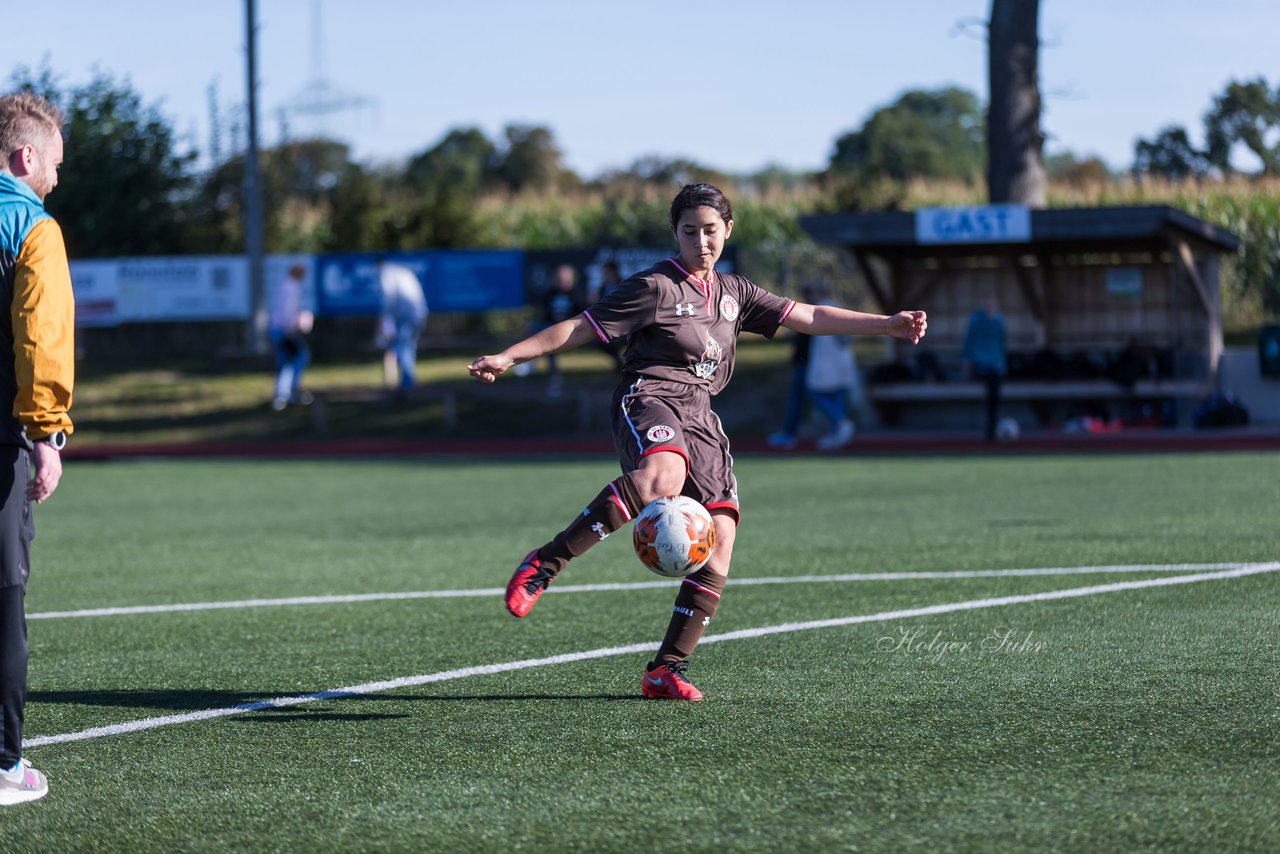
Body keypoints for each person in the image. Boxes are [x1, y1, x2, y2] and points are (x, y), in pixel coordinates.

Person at [468, 184, 926, 701]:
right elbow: (577, 328)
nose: (701, 242)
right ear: (675, 234)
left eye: (711, 231)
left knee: (723, 531)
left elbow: (811, 317)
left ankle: (665, 670)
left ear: (727, 230)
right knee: (662, 475)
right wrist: (509, 356)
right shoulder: (654, 286)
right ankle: (545, 564)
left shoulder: (736, 293)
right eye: (690, 232)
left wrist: (887, 325)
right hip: (650, 395)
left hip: (702, 413)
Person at [0, 92, 74, 806]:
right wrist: (47, 431)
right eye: (53, 164)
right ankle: (2, 766)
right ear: (26, 158)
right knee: (1, 602)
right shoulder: (32, 226)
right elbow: (39, 338)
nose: (55, 179)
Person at [767, 283, 857, 450]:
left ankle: (839, 424)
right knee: (825, 395)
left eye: (810, 294)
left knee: (815, 394)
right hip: (817, 363)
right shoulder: (813, 310)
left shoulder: (823, 310)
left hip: (818, 364)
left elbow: (838, 339)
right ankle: (837, 429)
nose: (807, 298)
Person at [374, 257, 428, 391]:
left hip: (407, 315)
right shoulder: (401, 271)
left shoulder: (385, 272)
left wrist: (384, 316)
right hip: (419, 312)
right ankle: (408, 382)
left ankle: (408, 385)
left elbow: (388, 296)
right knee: (408, 347)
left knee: (403, 348)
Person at [268, 263, 314, 410]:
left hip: (278, 329)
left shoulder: (285, 285)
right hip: (284, 330)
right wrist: (290, 328)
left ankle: (282, 395)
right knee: (297, 359)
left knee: (285, 362)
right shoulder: (291, 287)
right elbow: (287, 311)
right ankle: (288, 393)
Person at [963, 291, 1007, 441]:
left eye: (992, 301)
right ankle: (989, 430)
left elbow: (1002, 343)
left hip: (996, 364)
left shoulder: (999, 320)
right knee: (990, 392)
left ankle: (993, 428)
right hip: (981, 363)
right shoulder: (976, 319)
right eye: (988, 301)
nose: (990, 304)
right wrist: (968, 361)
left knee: (994, 396)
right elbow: (969, 341)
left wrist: (1002, 364)